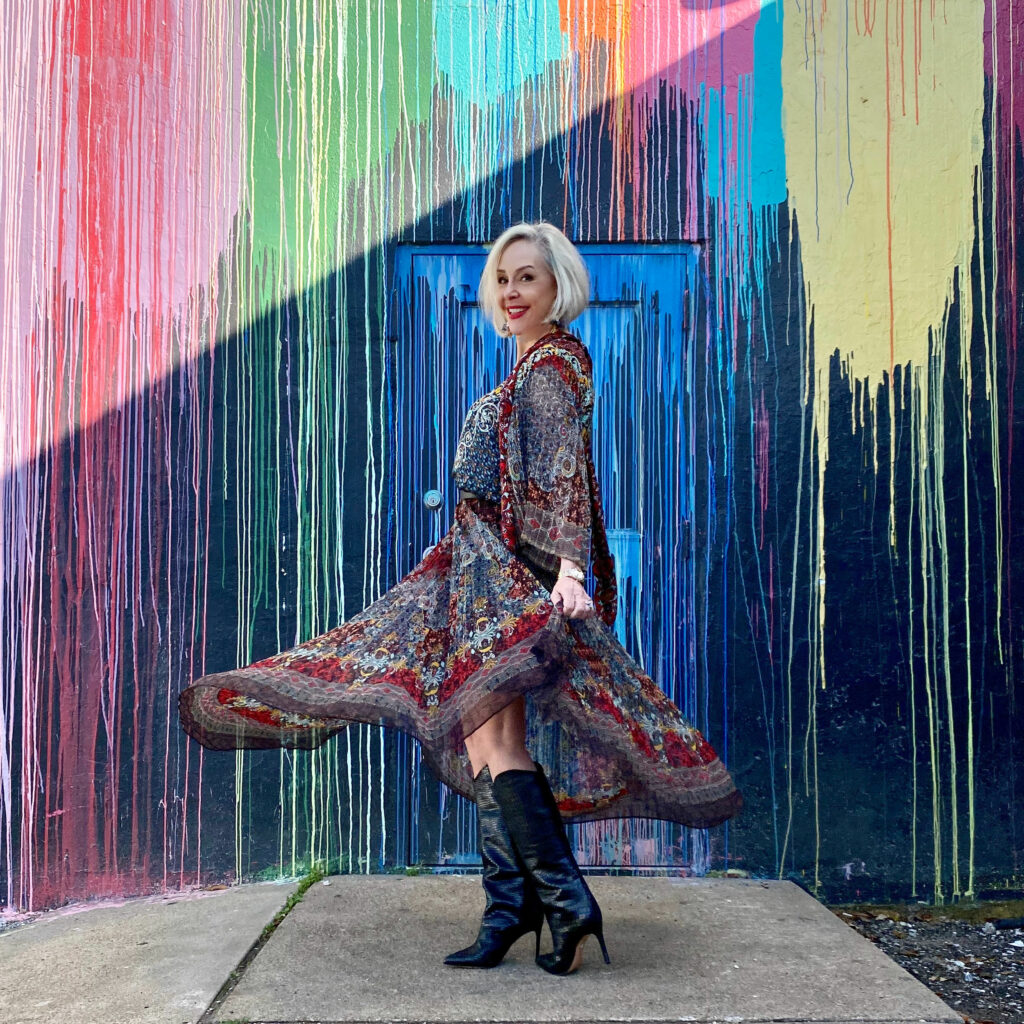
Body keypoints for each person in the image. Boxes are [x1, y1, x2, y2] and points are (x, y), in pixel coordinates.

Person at [178, 221, 742, 976]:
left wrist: (570, 568)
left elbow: (561, 472)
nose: (512, 291)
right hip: (483, 582)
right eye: (503, 278)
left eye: (529, 278)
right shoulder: (531, 369)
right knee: (486, 746)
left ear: (558, 288)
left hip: (513, 589)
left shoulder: (548, 368)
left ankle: (564, 906)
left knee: (494, 744)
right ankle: (514, 910)